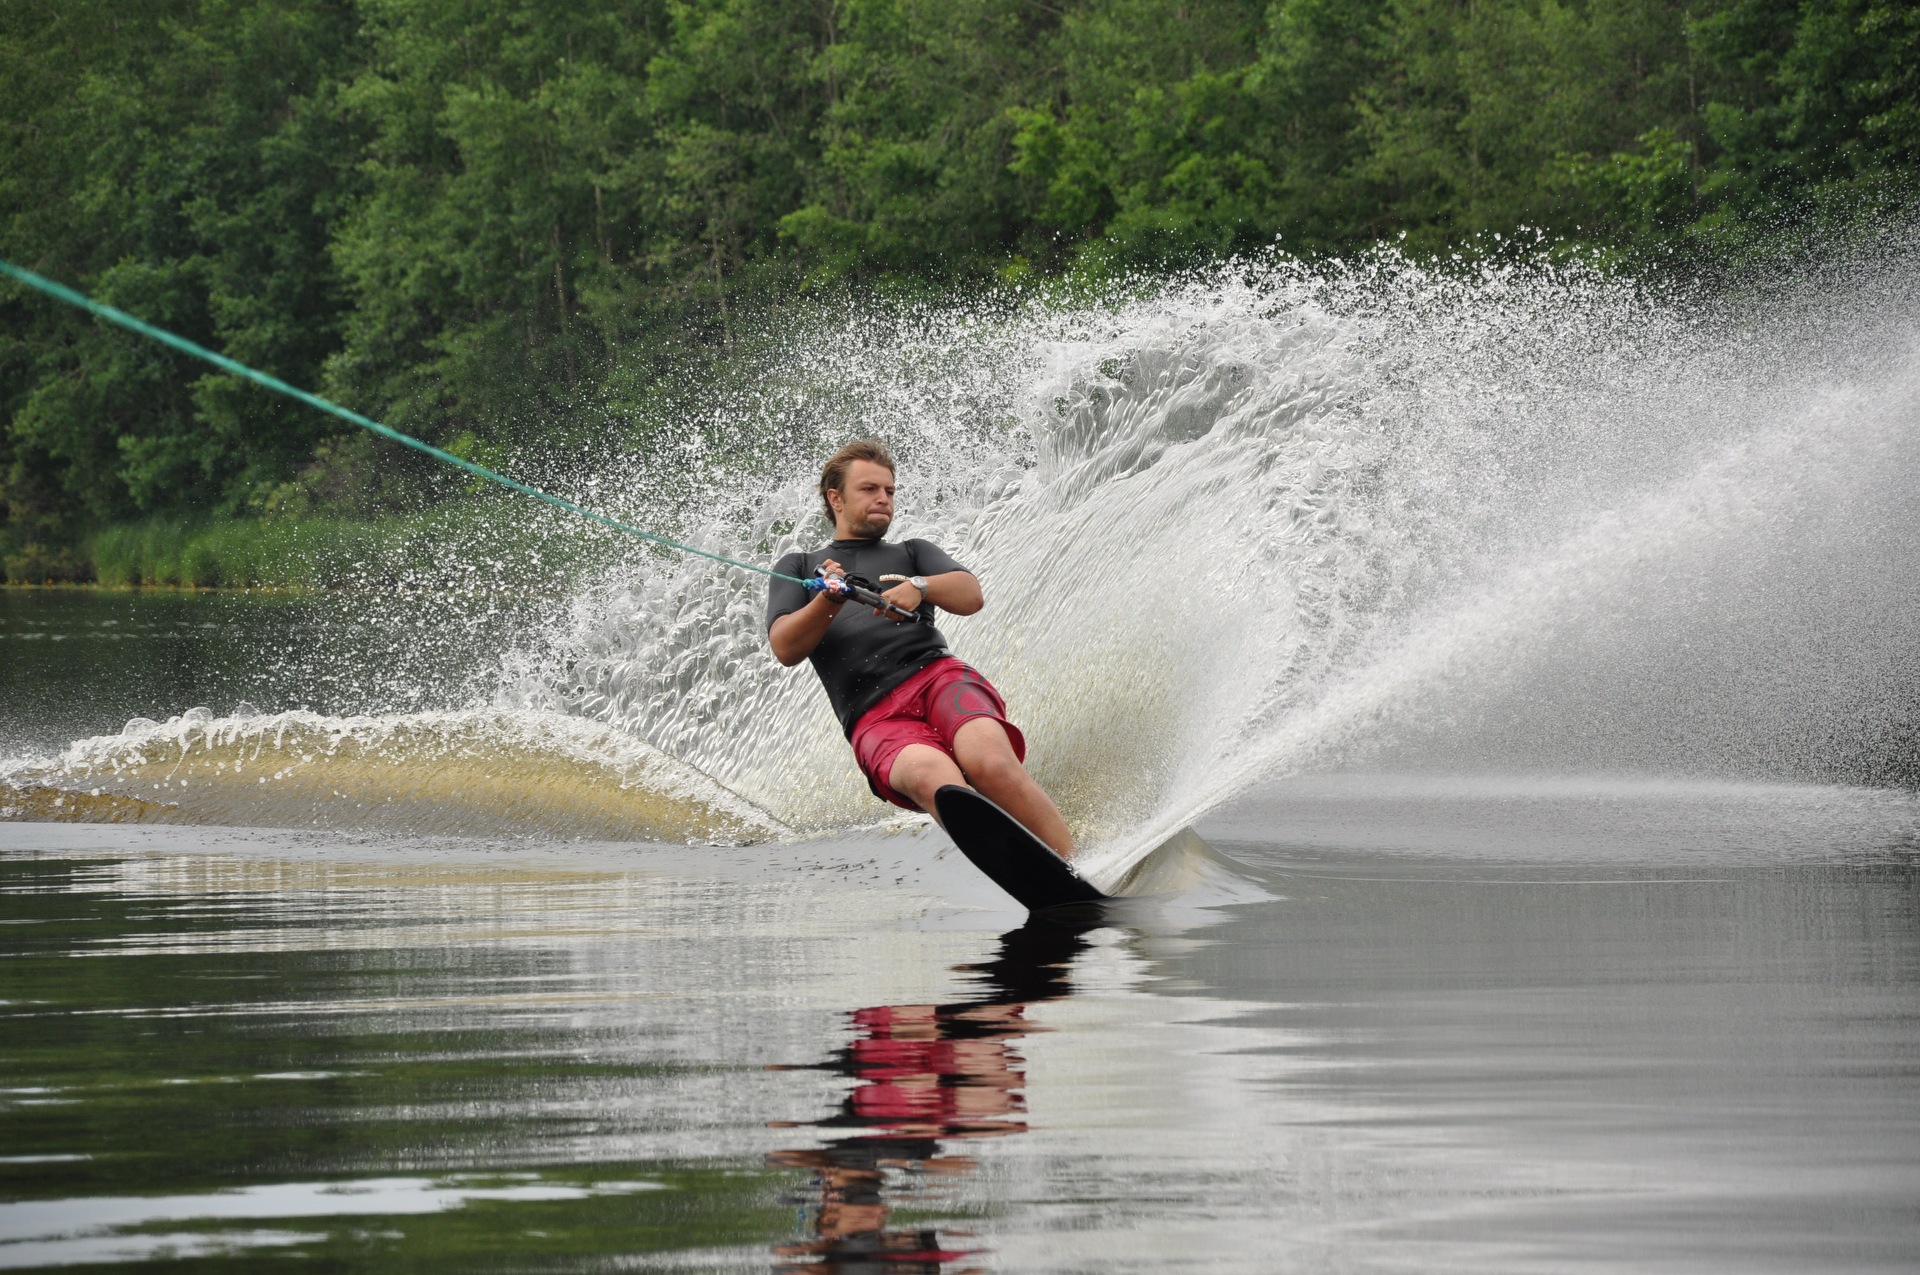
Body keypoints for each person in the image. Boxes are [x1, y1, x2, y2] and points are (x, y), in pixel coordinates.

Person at [766, 438, 1076, 857]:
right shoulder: (800, 568)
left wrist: (920, 586)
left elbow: (970, 595)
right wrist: (828, 599)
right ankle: (1025, 869)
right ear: (835, 498)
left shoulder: (913, 552)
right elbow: (785, 647)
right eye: (869, 489)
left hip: (938, 678)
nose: (883, 499)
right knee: (937, 779)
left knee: (988, 760)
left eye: (889, 491)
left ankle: (1078, 864)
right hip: (871, 715)